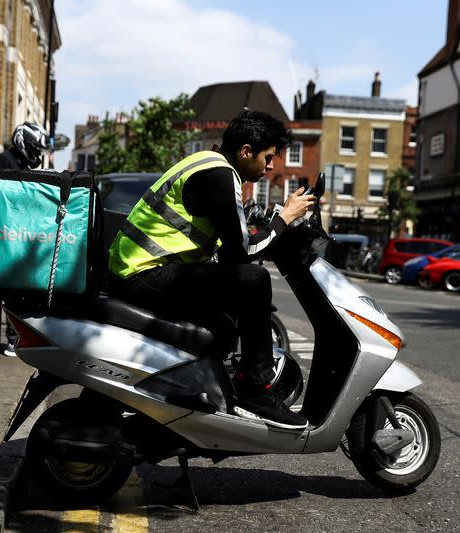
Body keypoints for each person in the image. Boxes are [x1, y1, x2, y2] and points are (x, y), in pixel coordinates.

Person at [107, 109, 314, 429]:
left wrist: (268, 226)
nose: (272, 166)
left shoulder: (206, 162)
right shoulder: (220, 174)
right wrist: (284, 219)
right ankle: (256, 390)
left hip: (141, 271)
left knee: (224, 320)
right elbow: (241, 255)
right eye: (268, 157)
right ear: (246, 152)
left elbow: (226, 244)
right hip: (142, 273)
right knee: (254, 280)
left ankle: (193, 399)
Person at [0, 122, 50, 356]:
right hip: (4, 237)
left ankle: (20, 336)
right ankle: (12, 339)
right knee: (11, 291)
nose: (36, 155)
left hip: (18, 236)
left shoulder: (21, 163)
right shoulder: (3, 161)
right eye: (35, 149)